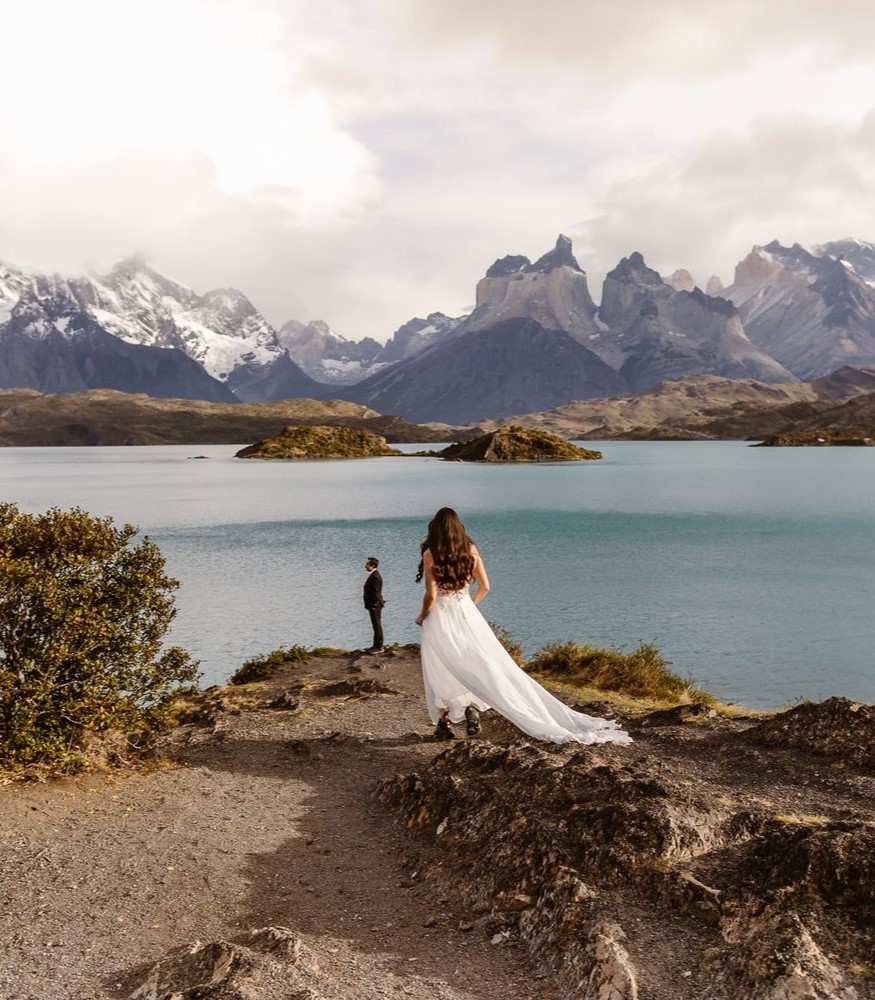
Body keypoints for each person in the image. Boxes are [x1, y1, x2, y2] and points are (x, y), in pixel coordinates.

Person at [415, 507, 631, 745]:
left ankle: (444, 722)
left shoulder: (431, 553)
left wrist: (421, 617)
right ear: (458, 528)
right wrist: (469, 605)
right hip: (468, 614)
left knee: (441, 666)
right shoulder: (471, 551)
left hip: (442, 618)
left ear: (435, 528)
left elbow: (431, 595)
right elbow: (485, 586)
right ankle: (473, 709)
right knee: (478, 662)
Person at [363, 556, 385, 652]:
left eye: (367, 564)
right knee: (375, 625)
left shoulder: (375, 577)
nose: (365, 566)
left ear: (372, 565)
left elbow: (376, 593)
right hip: (373, 604)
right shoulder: (374, 575)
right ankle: (375, 645)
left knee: (377, 625)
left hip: (375, 605)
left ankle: (378, 646)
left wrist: (375, 605)